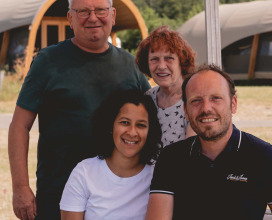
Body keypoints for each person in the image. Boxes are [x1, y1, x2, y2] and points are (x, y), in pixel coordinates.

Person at [8, 0, 150, 219]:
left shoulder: (132, 65)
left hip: (117, 200)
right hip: (57, 193)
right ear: (70, 19)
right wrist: (20, 187)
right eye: (83, 11)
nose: (93, 18)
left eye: (100, 10)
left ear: (112, 15)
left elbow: (154, 121)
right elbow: (19, 126)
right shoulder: (47, 62)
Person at [145, 64, 272, 220]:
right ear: (185, 111)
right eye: (196, 101)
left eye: (216, 98)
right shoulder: (171, 158)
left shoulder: (265, 157)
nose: (206, 108)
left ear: (233, 104)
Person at [60, 90, 162, 219]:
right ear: (110, 125)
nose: (132, 132)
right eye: (124, 122)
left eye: (141, 125)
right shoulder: (84, 173)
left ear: (150, 132)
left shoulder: (157, 177)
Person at [136, 25, 196, 147]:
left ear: (182, 61)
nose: (161, 66)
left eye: (169, 58)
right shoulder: (147, 99)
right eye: (154, 59)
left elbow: (192, 153)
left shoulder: (194, 99)